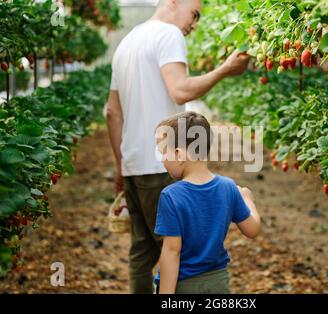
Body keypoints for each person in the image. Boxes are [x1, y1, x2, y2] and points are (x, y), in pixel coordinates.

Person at [106, 0, 250, 294]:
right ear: (173, 2)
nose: (193, 24)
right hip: (163, 164)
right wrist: (225, 70)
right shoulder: (168, 34)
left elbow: (112, 112)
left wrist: (121, 166)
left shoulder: (127, 42)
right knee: (179, 253)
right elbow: (180, 89)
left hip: (135, 165)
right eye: (194, 14)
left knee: (141, 251)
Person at [154, 111, 261, 294]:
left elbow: (172, 252)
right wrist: (247, 200)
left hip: (183, 284)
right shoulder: (228, 187)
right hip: (218, 282)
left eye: (163, 152)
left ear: (179, 154)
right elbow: (252, 230)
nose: (162, 159)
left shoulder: (171, 196)